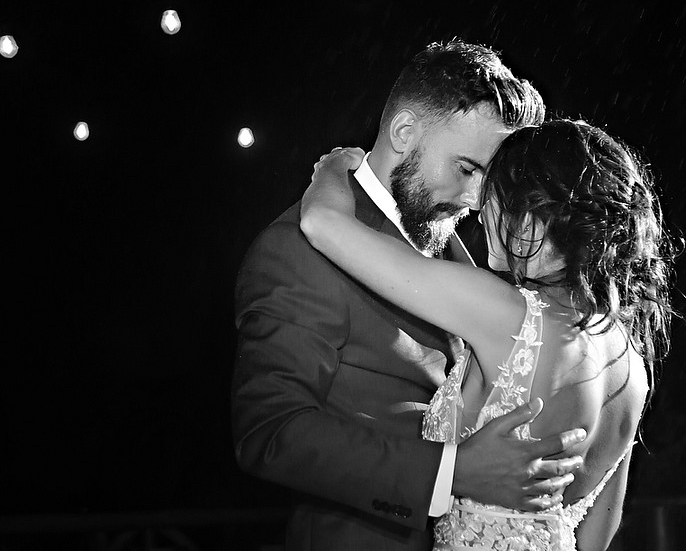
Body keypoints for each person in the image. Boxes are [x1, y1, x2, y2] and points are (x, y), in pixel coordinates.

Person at [232, 40, 587, 551]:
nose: (476, 198)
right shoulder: (297, 250)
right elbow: (270, 432)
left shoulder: (454, 247)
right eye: (467, 169)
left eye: (490, 178)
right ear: (403, 132)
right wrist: (451, 474)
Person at [300, 118, 678, 550]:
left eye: (494, 191)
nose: (480, 209)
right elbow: (596, 540)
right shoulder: (630, 363)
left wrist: (332, 167)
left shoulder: (510, 316)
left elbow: (321, 223)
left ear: (532, 210)